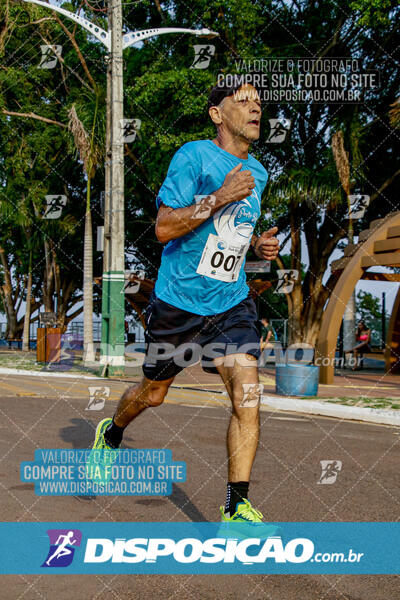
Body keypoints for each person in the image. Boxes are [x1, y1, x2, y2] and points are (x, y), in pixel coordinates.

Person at [88, 77, 280, 524]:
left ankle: (236, 507)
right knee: (153, 395)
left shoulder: (261, 173)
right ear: (217, 114)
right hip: (179, 303)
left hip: (231, 303)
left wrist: (257, 248)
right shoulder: (192, 156)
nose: (256, 109)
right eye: (244, 101)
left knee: (247, 394)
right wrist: (219, 196)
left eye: (259, 103)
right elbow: (164, 228)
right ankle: (111, 432)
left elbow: (233, 230)